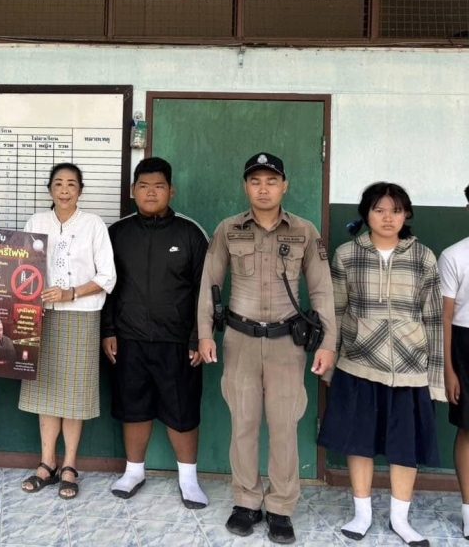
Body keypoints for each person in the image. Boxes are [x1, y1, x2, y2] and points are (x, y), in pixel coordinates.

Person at [197, 152, 336, 545]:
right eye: (255, 181)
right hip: (239, 341)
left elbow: (322, 290)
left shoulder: (304, 231)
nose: (263, 189)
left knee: (284, 427)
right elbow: (210, 283)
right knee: (242, 424)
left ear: (284, 186)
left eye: (271, 181)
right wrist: (205, 334)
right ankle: (246, 501)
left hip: (287, 344)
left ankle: (280, 507)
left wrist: (328, 343)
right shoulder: (228, 229)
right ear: (246, 187)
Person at [318, 181, 443, 545]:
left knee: (406, 447)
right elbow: (335, 312)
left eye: (396, 210)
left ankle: (400, 520)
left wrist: (435, 377)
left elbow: (435, 320)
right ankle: (362, 515)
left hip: (410, 369)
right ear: (366, 214)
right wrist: (330, 363)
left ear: (407, 215)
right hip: (359, 364)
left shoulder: (423, 257)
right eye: (379, 210)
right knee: (359, 443)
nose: (388, 218)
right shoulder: (346, 255)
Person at [101, 157, 209, 508]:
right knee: (134, 407)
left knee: (182, 410)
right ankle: (134, 471)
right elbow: (107, 287)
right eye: (144, 186)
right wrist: (108, 330)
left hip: (178, 342)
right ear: (133, 191)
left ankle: (188, 479)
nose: (151, 193)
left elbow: (205, 290)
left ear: (171, 191)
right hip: (128, 338)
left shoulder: (190, 233)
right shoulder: (117, 233)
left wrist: (198, 336)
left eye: (159, 186)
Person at [18, 162, 115, 499]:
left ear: (80, 190)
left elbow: (107, 277)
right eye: (58, 183)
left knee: (74, 393)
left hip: (81, 316)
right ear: (50, 189)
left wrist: (71, 293)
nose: (64, 190)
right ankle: (47, 463)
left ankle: (70, 464)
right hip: (40, 316)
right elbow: (22, 267)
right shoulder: (36, 222)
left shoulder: (93, 224)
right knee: (45, 390)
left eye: (71, 184)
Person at [441, 185, 469, 539]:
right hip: (465, 343)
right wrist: (448, 370)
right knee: (468, 429)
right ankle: (468, 510)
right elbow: (445, 317)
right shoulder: (454, 255)